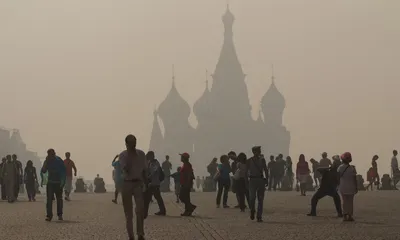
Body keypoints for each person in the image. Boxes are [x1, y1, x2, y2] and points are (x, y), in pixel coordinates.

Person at [119, 135, 147, 240]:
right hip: (127, 183)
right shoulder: (123, 155)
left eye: (134, 142)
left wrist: (146, 184)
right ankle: (131, 236)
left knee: (140, 210)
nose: (133, 144)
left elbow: (144, 170)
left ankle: (140, 234)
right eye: (130, 142)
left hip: (138, 183)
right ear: (126, 144)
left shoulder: (141, 154)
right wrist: (129, 157)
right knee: (128, 212)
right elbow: (125, 169)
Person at [41, 149, 66, 221]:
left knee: (59, 199)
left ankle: (60, 214)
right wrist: (46, 163)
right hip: (50, 182)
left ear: (54, 154)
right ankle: (49, 215)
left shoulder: (58, 161)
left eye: (51, 154)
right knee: (49, 200)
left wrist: (63, 181)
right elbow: (44, 170)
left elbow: (63, 171)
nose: (50, 156)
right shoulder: (47, 161)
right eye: (49, 155)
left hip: (58, 182)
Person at [247, 146, 268, 222]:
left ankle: (259, 216)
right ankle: (252, 210)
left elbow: (265, 170)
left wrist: (267, 179)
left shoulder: (262, 160)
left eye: (259, 150)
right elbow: (246, 171)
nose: (259, 152)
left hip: (260, 179)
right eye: (258, 150)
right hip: (252, 180)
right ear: (254, 152)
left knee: (260, 199)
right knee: (252, 198)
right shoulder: (249, 160)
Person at [144, 151, 166, 218]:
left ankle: (145, 212)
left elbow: (154, 172)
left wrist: (148, 178)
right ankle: (162, 210)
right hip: (153, 183)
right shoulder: (150, 162)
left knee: (148, 198)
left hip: (154, 183)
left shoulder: (155, 163)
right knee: (157, 197)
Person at [338, 152, 357, 222]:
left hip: (343, 186)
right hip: (351, 186)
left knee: (344, 201)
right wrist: (356, 187)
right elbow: (355, 179)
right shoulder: (352, 168)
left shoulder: (340, 167)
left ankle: (345, 215)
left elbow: (338, 177)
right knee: (350, 202)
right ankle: (350, 215)